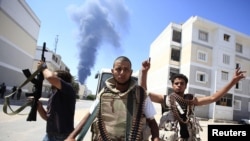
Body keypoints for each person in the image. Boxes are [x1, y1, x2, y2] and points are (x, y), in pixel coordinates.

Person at [140, 59, 246, 141]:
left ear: (186, 86)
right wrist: (144, 72)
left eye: (182, 83)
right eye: (176, 83)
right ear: (172, 85)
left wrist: (233, 82)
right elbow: (143, 93)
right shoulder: (165, 99)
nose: (179, 85)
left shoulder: (192, 100)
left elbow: (214, 97)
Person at [65, 56, 159, 141]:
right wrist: (72, 136)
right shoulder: (103, 93)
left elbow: (152, 121)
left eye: (126, 69)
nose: (122, 73)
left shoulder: (140, 94)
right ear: (112, 71)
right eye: (118, 69)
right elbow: (90, 115)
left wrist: (156, 138)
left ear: (130, 72)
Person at [36, 60, 76, 141]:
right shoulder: (54, 95)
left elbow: (50, 77)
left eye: (56, 76)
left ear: (63, 80)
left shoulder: (69, 89)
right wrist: (39, 107)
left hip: (62, 137)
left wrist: (43, 68)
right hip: (49, 135)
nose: (51, 82)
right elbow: (48, 118)